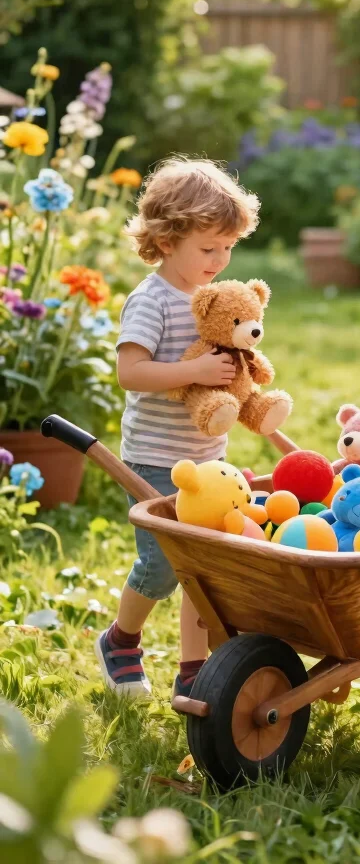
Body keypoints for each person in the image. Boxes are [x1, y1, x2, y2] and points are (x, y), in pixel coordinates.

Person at [95, 157, 260, 699]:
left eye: (228, 247)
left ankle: (193, 670)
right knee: (163, 564)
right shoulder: (153, 299)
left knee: (205, 568)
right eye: (207, 248)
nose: (220, 259)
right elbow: (131, 372)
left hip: (208, 455)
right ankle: (121, 640)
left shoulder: (211, 299)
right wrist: (195, 371)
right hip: (155, 459)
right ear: (166, 241)